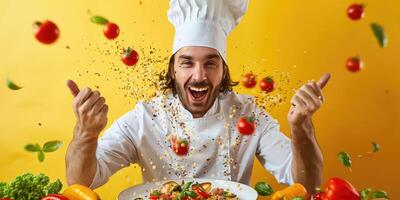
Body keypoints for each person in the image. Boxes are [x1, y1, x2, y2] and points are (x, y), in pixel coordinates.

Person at [65, 0, 329, 195]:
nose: (199, 75)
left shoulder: (249, 115)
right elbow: (81, 182)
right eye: (187, 62)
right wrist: (86, 133)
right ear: (173, 68)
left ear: (224, 69)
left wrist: (301, 128)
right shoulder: (145, 118)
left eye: (211, 63)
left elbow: (307, 184)